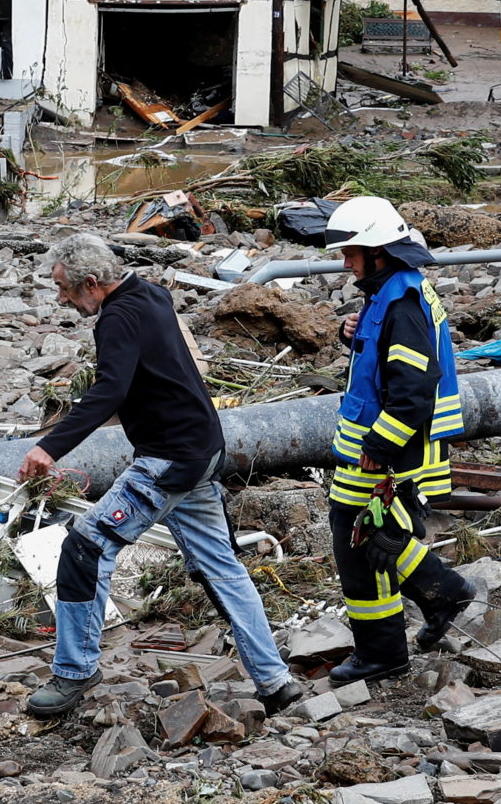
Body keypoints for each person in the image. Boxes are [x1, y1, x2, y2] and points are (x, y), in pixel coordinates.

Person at [18, 233, 299, 719]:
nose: (62, 299)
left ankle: (75, 672)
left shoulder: (118, 318)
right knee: (222, 567)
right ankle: (275, 682)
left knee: (85, 548)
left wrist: (50, 447)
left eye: (64, 288)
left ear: (91, 283)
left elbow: (108, 391)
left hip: (167, 461)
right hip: (204, 451)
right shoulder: (149, 292)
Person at [320, 196, 480, 683]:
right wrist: (353, 334)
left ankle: (433, 602)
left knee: (365, 540)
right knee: (368, 538)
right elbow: (381, 360)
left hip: (391, 451)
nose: (345, 263)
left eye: (351, 253)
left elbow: (413, 393)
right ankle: (394, 640)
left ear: (380, 251)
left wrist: (379, 449)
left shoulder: (401, 304)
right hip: (380, 447)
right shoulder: (390, 293)